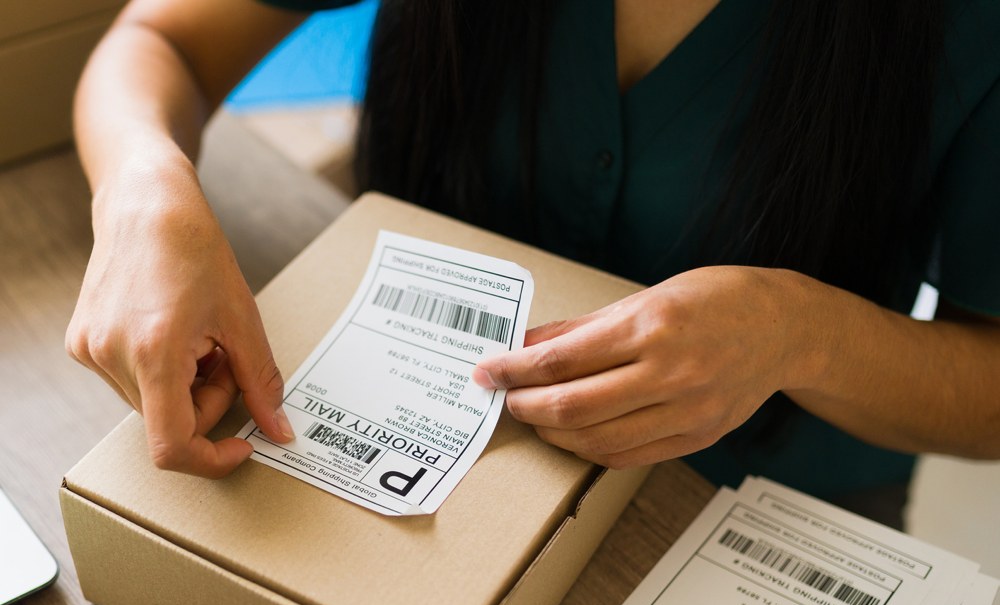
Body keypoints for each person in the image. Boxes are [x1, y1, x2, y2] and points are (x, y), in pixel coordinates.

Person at [67, 0, 1000, 528]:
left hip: (765, 507)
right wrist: (144, 192)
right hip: (411, 441)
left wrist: (800, 334)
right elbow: (160, 43)